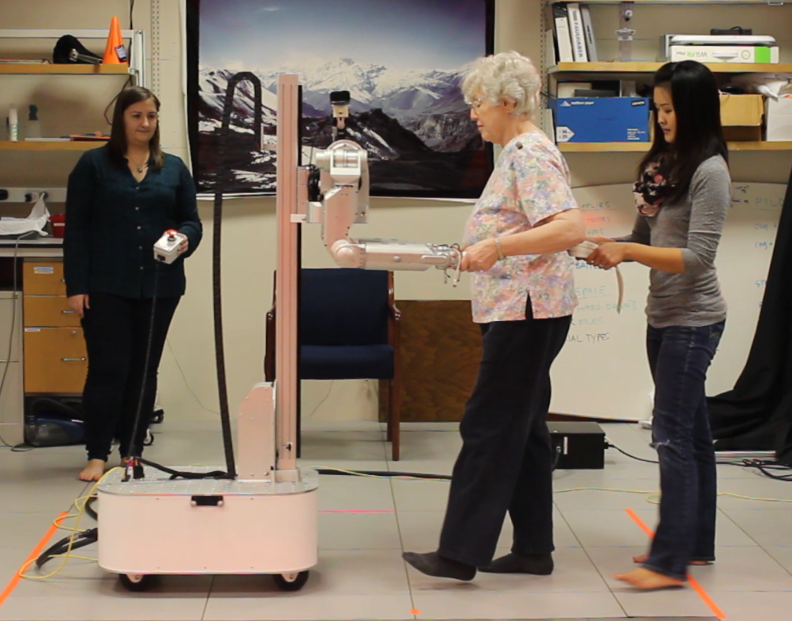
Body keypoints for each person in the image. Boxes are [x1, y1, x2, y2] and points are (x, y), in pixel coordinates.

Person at [402, 51, 585, 581]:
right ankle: (533, 551)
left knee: (487, 424)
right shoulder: (520, 152)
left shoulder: (528, 153)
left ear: (509, 101)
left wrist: (497, 247)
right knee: (524, 428)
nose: (473, 114)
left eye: (479, 104)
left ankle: (459, 553)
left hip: (527, 312)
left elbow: (568, 227)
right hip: (527, 309)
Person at [586, 60, 730, 589]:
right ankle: (697, 545)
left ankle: (668, 563)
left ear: (694, 109)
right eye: (658, 108)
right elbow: (642, 236)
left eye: (670, 109)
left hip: (694, 321)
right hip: (662, 315)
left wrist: (629, 251)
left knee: (670, 436)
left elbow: (697, 258)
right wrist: (609, 248)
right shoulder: (660, 164)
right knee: (692, 436)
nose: (662, 117)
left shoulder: (710, 171)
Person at [64, 86, 202, 482]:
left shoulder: (173, 168)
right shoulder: (92, 166)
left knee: (145, 370)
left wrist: (184, 238)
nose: (145, 123)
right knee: (108, 369)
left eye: (151, 117)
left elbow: (191, 220)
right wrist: (76, 286)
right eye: (136, 116)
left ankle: (132, 450)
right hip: (106, 284)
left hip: (160, 285)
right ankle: (96, 452)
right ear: (121, 120)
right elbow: (77, 230)